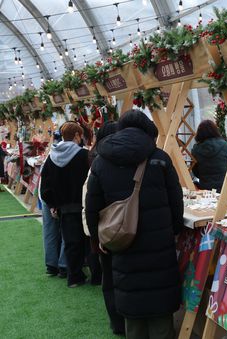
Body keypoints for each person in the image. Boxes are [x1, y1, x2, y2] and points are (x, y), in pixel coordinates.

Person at [86, 110, 184, 339]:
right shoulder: (159, 158)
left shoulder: (102, 161)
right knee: (161, 316)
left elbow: (92, 205)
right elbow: (175, 200)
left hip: (122, 243)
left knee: (133, 312)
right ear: (147, 131)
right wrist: (174, 229)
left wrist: (96, 237)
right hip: (158, 245)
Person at [83, 121, 124, 335]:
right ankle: (126, 322)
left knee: (110, 279)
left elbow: (90, 204)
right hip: (124, 229)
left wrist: (93, 235)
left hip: (105, 231)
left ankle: (117, 322)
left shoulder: (96, 161)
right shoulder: (119, 160)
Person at [40, 122, 89, 287]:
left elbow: (45, 184)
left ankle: (73, 275)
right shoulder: (84, 156)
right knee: (83, 241)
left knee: (69, 241)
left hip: (63, 206)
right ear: (76, 135)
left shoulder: (52, 156)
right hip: (81, 204)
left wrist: (53, 204)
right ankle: (77, 275)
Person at [39, 130, 67, 278]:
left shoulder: (52, 153)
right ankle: (63, 266)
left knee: (50, 231)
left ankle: (51, 265)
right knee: (65, 230)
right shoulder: (75, 153)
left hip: (46, 195)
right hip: (58, 197)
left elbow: (45, 183)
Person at [192, 119, 227, 194]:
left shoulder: (196, 149)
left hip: (207, 191)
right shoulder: (226, 145)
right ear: (215, 130)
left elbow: (195, 172)